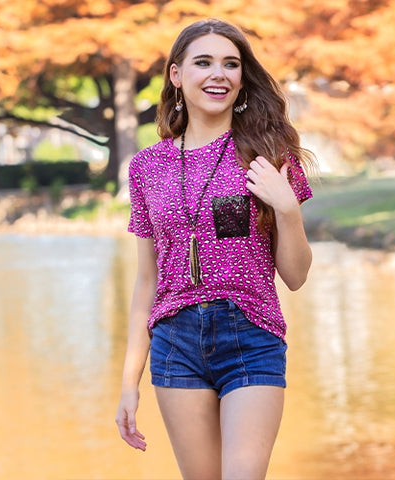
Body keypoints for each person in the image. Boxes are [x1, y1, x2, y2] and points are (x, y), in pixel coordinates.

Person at [115, 18, 315, 480]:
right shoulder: (147, 166)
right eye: (202, 62)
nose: (218, 74)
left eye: (231, 64)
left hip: (250, 334)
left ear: (243, 78)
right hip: (175, 345)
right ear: (176, 75)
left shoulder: (269, 153)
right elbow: (147, 281)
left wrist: (287, 209)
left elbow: (297, 275)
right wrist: (130, 383)